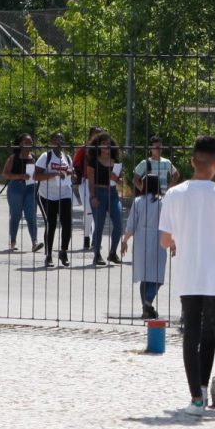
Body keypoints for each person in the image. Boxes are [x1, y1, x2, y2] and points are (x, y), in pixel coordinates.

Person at [158, 136, 215, 415]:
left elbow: (164, 240)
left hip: (188, 275)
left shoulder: (174, 194)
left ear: (193, 161)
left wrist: (181, 238)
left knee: (191, 335)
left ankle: (197, 399)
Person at [122, 173, 167, 319]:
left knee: (144, 276)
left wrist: (125, 240)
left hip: (141, 239)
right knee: (157, 276)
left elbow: (131, 224)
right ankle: (147, 303)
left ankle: (146, 307)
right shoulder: (162, 202)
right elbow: (169, 224)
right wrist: (172, 242)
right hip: (158, 239)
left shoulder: (138, 201)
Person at [32, 132, 76, 268]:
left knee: (67, 225)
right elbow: (36, 176)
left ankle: (63, 252)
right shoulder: (46, 156)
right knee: (51, 224)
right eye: (56, 138)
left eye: (61, 138)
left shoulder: (67, 158)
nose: (59, 140)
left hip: (65, 194)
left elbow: (74, 178)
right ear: (51, 141)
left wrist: (71, 175)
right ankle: (49, 255)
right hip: (48, 195)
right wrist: (54, 173)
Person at [86, 132, 125, 267]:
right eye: (103, 143)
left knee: (119, 223)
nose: (106, 146)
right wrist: (93, 196)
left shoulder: (117, 162)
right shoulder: (93, 161)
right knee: (99, 225)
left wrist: (118, 179)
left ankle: (113, 252)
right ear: (98, 145)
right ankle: (97, 254)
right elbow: (90, 182)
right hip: (98, 192)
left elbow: (121, 181)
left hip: (113, 194)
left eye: (108, 143)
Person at [1, 134, 39, 253]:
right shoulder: (13, 157)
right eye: (27, 142)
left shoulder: (33, 157)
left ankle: (35, 242)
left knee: (31, 215)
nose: (29, 145)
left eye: (31, 142)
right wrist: (20, 176)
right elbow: (5, 174)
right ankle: (13, 241)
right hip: (16, 188)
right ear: (21, 144)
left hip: (30, 188)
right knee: (16, 215)